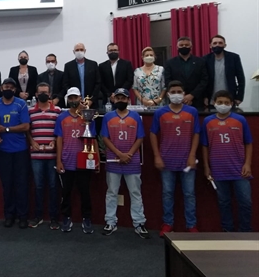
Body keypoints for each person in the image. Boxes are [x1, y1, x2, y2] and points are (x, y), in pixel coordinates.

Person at [150, 80, 200, 236]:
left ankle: (191, 225)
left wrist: (192, 155)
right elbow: (152, 133)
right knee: (167, 193)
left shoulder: (192, 112)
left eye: (179, 92)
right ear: (168, 94)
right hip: (166, 160)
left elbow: (196, 133)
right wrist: (157, 156)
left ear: (184, 94)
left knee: (189, 194)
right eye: (173, 92)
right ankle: (167, 224)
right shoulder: (160, 112)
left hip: (187, 161)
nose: (177, 94)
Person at [201, 90, 253, 232]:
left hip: (239, 169)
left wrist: (247, 163)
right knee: (224, 203)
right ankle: (227, 231)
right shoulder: (208, 121)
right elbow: (204, 146)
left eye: (226, 103)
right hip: (218, 170)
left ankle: (245, 232)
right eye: (219, 102)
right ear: (214, 103)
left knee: (245, 202)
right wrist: (207, 167)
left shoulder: (240, 120)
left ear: (231, 104)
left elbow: (248, 143)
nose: (222, 105)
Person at [101, 88, 149, 239]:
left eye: (124, 98)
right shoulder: (108, 117)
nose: (121, 101)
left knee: (135, 192)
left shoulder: (135, 116)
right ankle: (110, 221)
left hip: (132, 160)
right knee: (111, 192)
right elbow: (105, 138)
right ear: (114, 99)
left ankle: (139, 223)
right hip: (113, 159)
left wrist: (128, 154)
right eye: (118, 98)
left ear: (129, 100)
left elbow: (140, 138)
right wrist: (119, 154)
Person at [0, 78, 31, 228]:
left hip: (20, 151)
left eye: (11, 87)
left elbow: (26, 126)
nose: (9, 89)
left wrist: (6, 129)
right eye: (6, 86)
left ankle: (23, 216)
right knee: (7, 185)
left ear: (15, 90)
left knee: (21, 185)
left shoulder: (21, 104)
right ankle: (9, 215)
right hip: (3, 151)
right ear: (1, 88)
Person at [54, 87, 95, 233]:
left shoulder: (87, 115)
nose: (73, 100)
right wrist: (58, 160)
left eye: (75, 98)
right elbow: (59, 139)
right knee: (66, 193)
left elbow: (93, 138)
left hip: (84, 161)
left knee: (85, 192)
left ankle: (87, 218)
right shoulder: (61, 117)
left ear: (80, 98)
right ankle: (66, 217)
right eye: (70, 98)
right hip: (66, 160)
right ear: (67, 99)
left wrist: (93, 159)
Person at [27, 82, 62, 229]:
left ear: (50, 94)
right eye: (40, 92)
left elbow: (60, 131)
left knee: (54, 187)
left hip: (53, 155)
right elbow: (27, 130)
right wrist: (31, 141)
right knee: (39, 186)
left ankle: (54, 218)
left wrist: (54, 140)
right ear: (36, 94)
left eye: (46, 92)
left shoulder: (58, 111)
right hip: (36, 156)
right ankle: (38, 216)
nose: (43, 94)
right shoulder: (30, 111)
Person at [163, 37, 208, 110]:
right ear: (177, 47)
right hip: (176, 99)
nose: (184, 46)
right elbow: (168, 81)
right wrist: (181, 96)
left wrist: (192, 95)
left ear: (191, 47)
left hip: (196, 99)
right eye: (181, 45)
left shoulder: (200, 61)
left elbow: (204, 80)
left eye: (186, 45)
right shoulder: (170, 63)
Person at [203, 35, 246, 107]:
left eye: (220, 43)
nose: (217, 45)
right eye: (215, 43)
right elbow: (202, 80)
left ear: (225, 45)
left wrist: (239, 97)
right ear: (210, 45)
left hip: (230, 98)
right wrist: (204, 96)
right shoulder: (205, 59)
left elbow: (241, 78)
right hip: (211, 98)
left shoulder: (234, 58)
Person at [62, 43, 101, 109]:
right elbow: (65, 84)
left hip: (91, 103)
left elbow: (98, 83)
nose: (79, 52)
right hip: (74, 103)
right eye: (77, 50)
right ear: (73, 52)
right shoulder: (68, 66)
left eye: (81, 49)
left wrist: (91, 99)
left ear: (85, 51)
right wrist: (74, 98)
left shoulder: (93, 64)